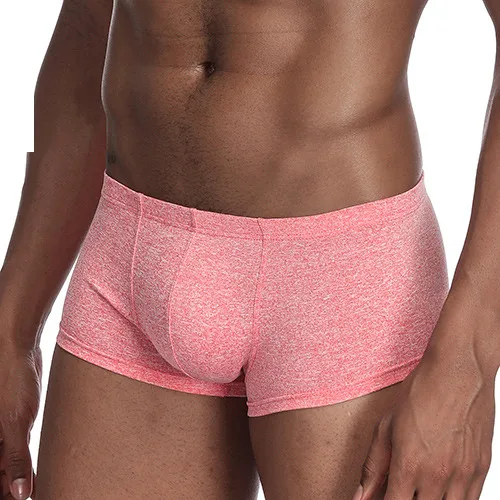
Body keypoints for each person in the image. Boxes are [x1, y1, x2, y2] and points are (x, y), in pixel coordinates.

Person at [0, 0, 498, 498]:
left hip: (338, 285)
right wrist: (11, 328)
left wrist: (468, 365)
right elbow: (88, 28)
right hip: (130, 268)